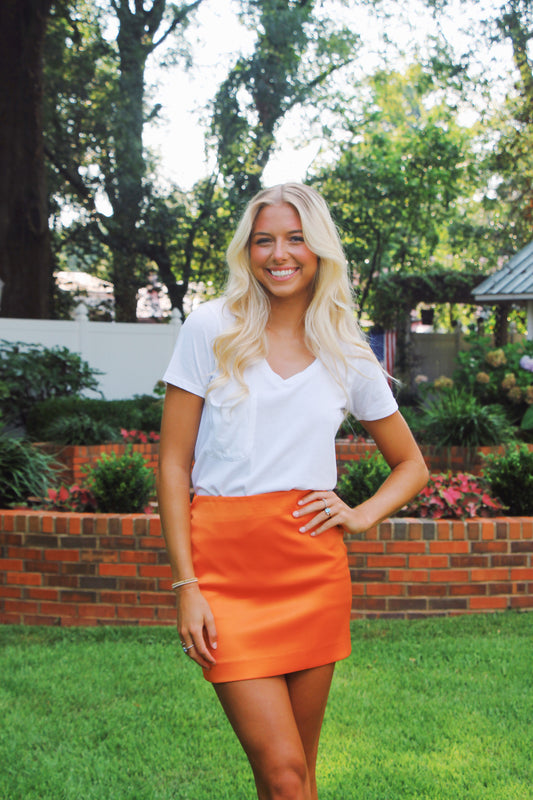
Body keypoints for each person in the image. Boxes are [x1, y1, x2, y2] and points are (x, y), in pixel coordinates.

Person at [157, 182, 428, 800]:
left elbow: (411, 465)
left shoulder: (345, 348)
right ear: (247, 252)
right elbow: (173, 466)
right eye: (264, 241)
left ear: (319, 249)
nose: (280, 254)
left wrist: (359, 516)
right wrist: (186, 585)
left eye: (296, 239)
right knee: (283, 771)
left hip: (311, 569)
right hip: (223, 574)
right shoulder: (210, 328)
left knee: (294, 775)